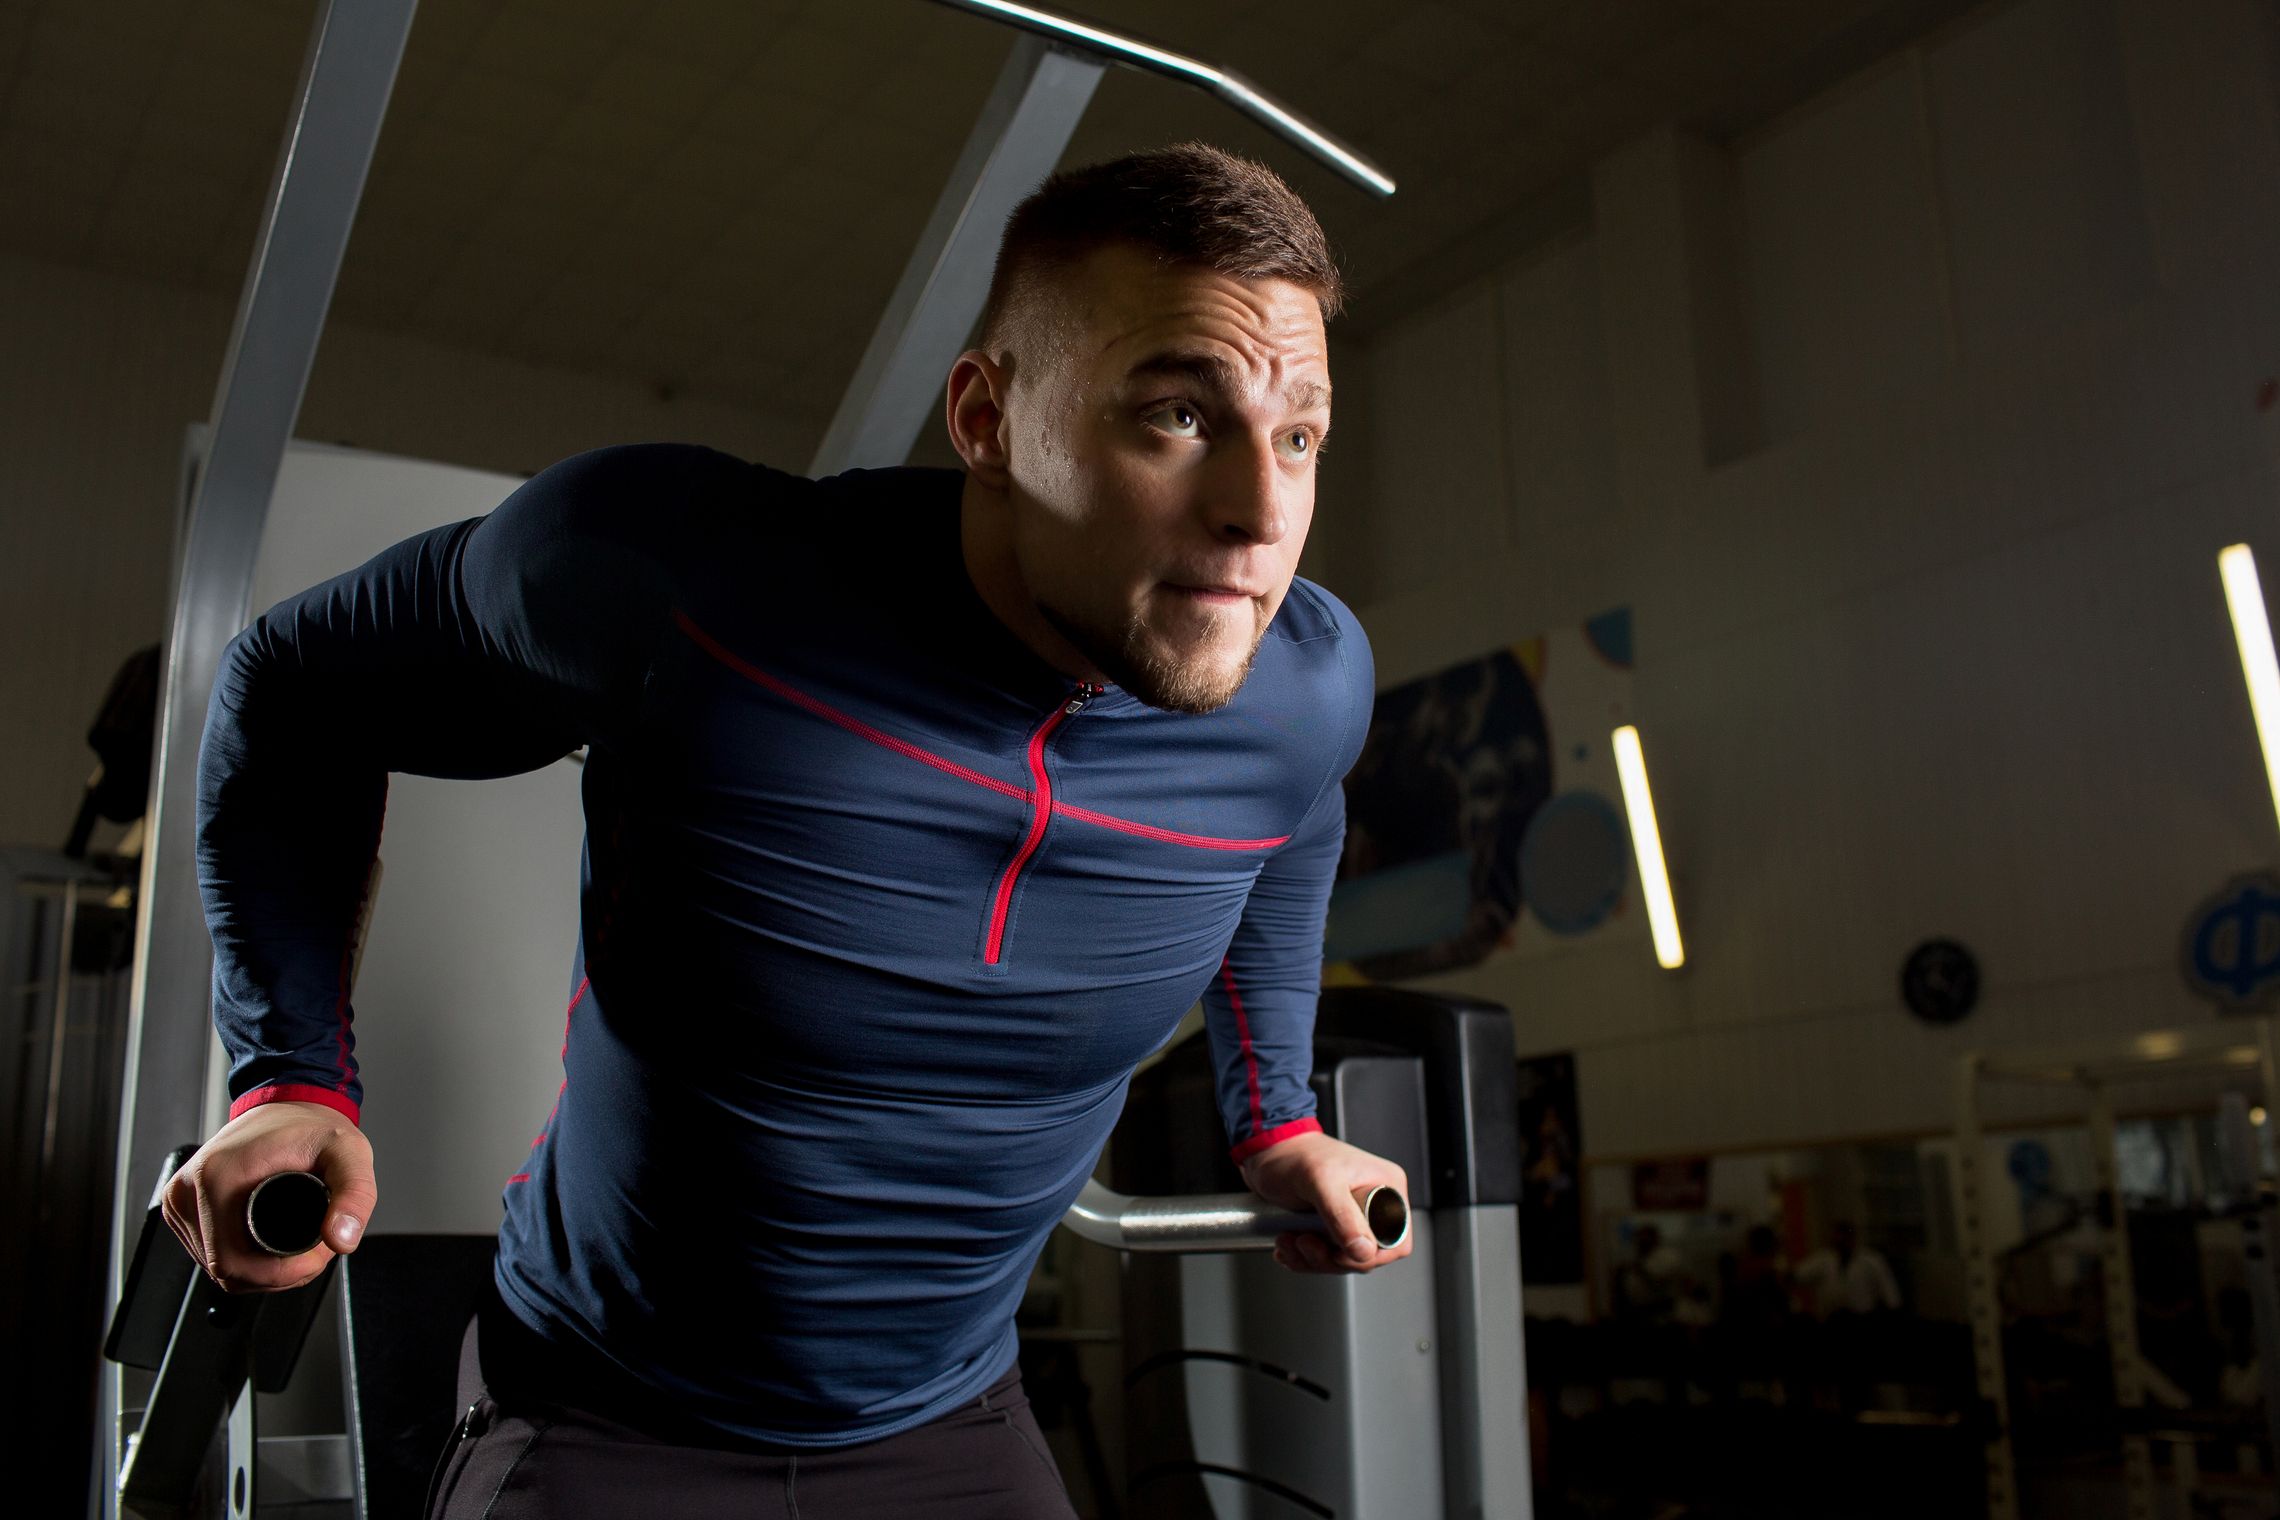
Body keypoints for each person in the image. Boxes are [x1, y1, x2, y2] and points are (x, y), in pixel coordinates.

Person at [158, 143, 1409, 1518]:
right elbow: (298, 690)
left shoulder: (1299, 688)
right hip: (603, 1413)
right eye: (1177, 414)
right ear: (988, 419)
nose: (1260, 512)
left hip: (955, 1420)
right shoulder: (684, 582)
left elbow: (1295, 821)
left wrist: (1276, 1118)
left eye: (1299, 437)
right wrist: (291, 1079)